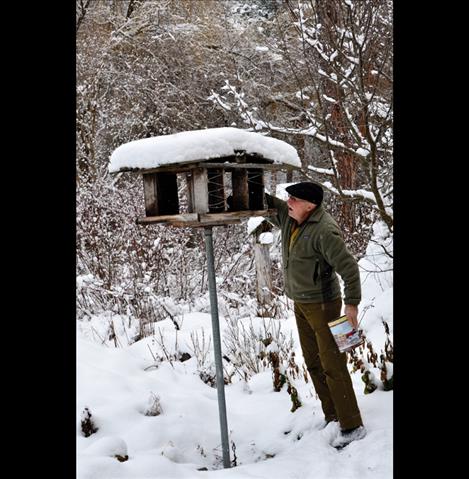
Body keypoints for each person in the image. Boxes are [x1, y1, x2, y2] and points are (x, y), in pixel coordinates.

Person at [265, 181, 366, 449]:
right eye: (288, 198)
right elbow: (266, 204)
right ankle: (332, 414)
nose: (288, 202)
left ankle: (352, 425)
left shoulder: (324, 231)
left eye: (294, 199)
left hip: (324, 305)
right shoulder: (290, 218)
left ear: (310, 206)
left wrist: (352, 304)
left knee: (332, 364)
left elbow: (349, 267)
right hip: (301, 304)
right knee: (312, 361)